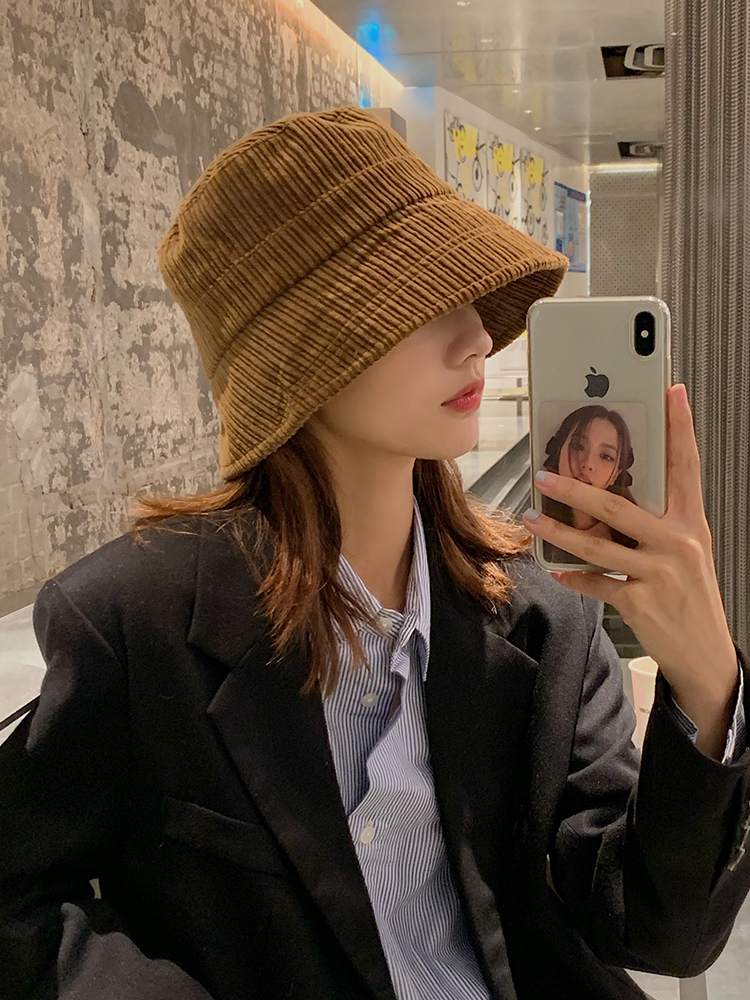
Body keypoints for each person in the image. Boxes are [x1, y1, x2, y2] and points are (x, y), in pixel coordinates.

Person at [1, 105, 749, 1000]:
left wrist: (708, 688)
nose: (477, 337)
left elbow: (659, 930)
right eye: (421, 303)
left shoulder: (546, 618)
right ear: (300, 352)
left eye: (468, 295)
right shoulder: (135, 625)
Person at [540, 404, 640, 564]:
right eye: (578, 446)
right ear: (559, 451)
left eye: (606, 456)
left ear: (616, 474)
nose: (588, 464)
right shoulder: (534, 523)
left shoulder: (635, 539)